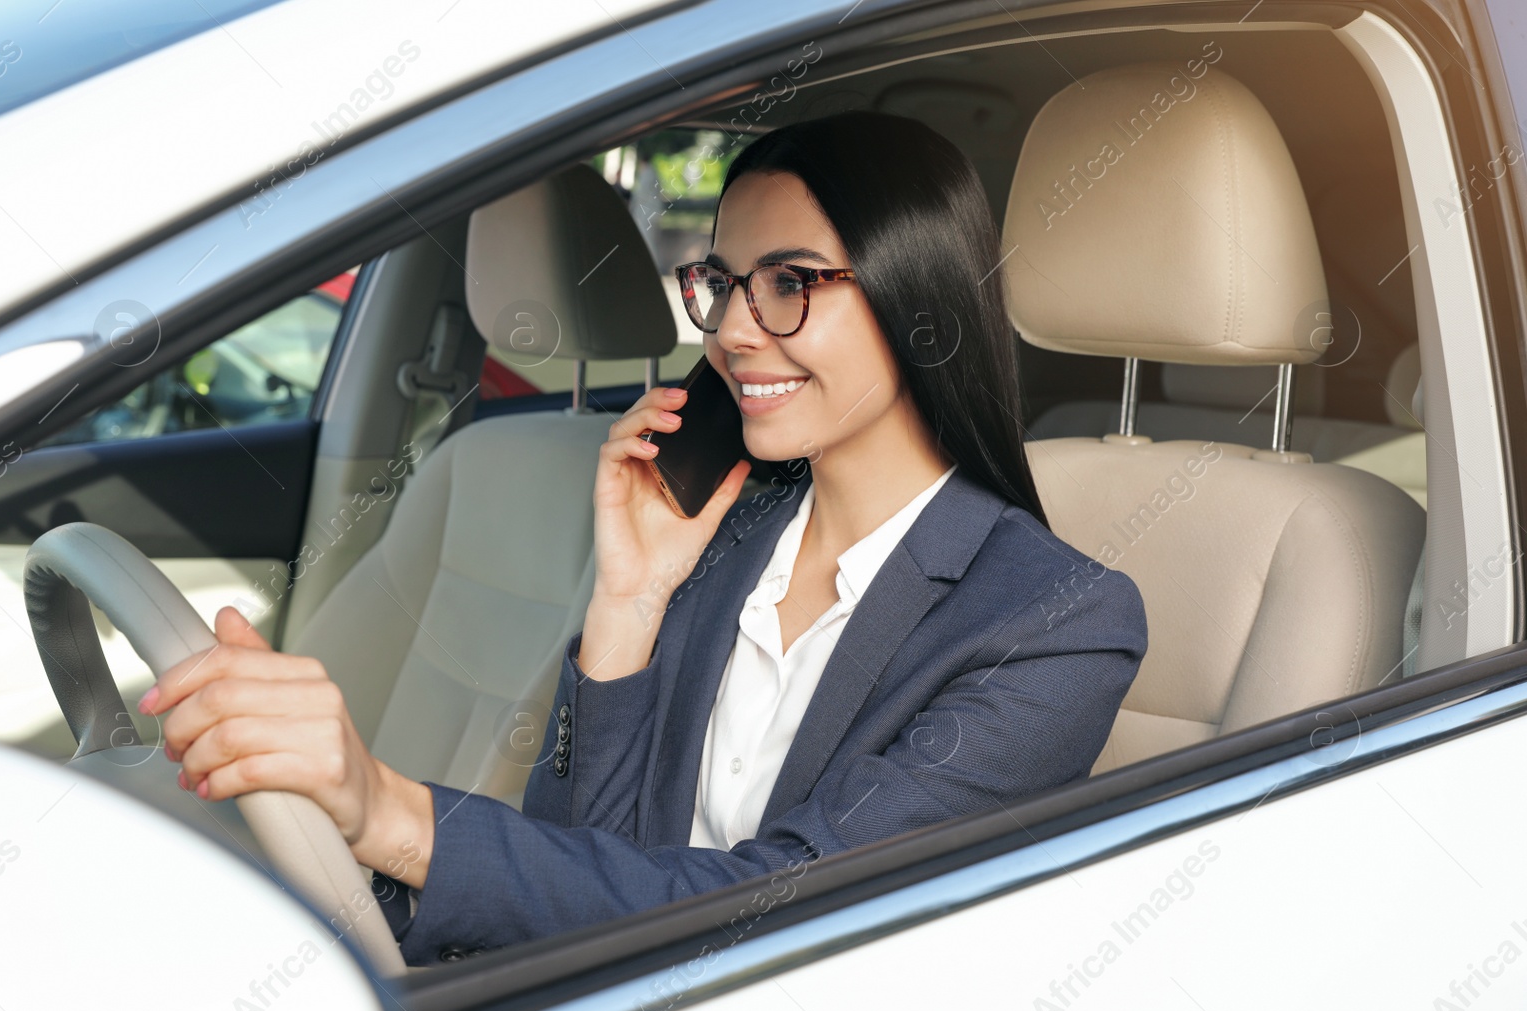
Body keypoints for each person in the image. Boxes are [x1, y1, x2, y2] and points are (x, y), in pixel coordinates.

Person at [140, 111, 1149, 965]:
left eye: (789, 282)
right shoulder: (717, 529)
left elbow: (776, 911)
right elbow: (574, 865)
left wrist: (388, 810)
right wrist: (625, 604)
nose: (733, 332)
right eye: (722, 282)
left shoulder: (1056, 622)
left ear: (914, 298)